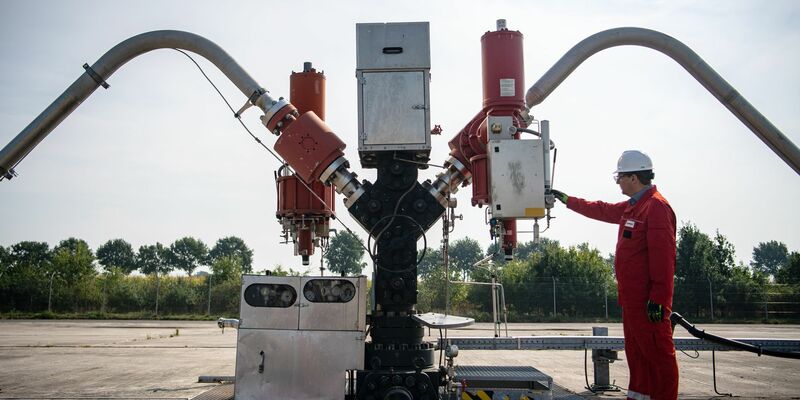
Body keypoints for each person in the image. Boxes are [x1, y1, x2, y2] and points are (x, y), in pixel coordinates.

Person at [551, 150, 678, 400]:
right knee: (638, 357)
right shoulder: (634, 207)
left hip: (648, 304)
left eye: (619, 177)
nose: (618, 181)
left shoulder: (656, 208)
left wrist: (659, 299)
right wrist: (568, 200)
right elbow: (601, 209)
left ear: (633, 177)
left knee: (659, 358)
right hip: (631, 302)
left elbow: (664, 259)